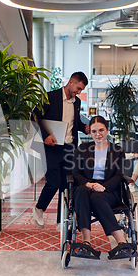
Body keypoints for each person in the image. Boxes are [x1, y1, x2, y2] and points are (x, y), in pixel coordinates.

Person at [32, 72, 90, 229]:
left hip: (70, 147)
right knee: (53, 182)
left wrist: (84, 128)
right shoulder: (50, 97)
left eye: (81, 90)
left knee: (67, 185)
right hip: (52, 147)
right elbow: (34, 117)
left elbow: (74, 123)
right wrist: (45, 135)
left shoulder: (76, 103)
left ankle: (61, 220)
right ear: (71, 82)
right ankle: (39, 208)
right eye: (78, 88)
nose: (78, 92)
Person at [72, 116, 132, 260]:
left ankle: (121, 241)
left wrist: (103, 187)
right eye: (94, 131)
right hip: (86, 186)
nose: (98, 134)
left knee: (96, 196)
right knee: (80, 191)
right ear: (90, 133)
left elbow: (118, 175)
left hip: (109, 191)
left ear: (107, 130)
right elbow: (75, 172)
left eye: (101, 130)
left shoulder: (117, 151)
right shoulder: (83, 149)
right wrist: (88, 183)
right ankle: (86, 241)